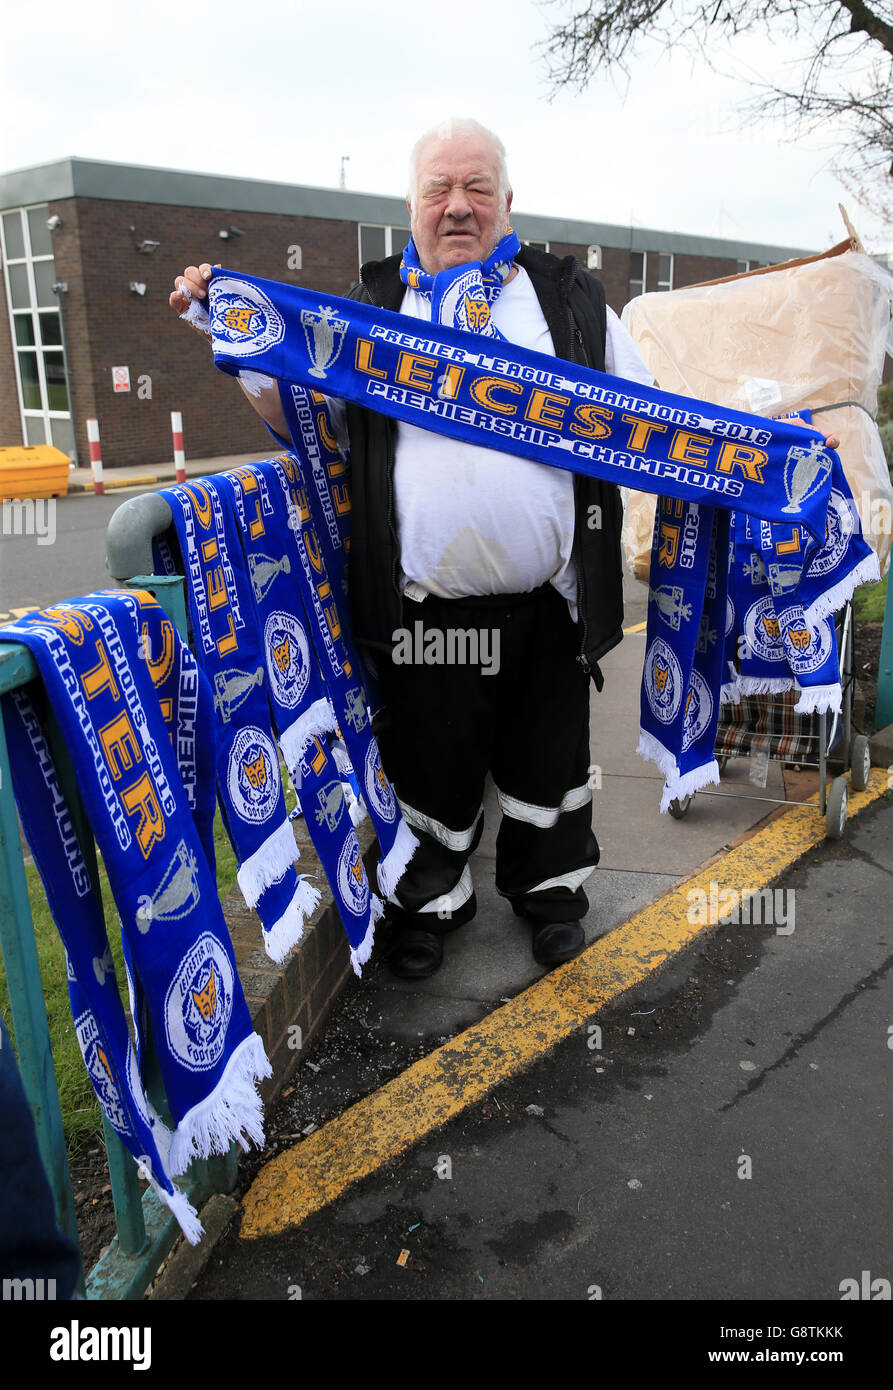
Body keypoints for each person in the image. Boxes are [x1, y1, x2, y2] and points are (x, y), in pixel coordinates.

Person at [170, 119, 655, 979]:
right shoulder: (365, 308)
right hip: (428, 614)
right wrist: (232, 326)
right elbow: (309, 426)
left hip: (548, 605)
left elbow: (651, 424)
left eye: (477, 189)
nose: (458, 206)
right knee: (429, 765)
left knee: (548, 762)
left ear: (508, 202)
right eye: (440, 189)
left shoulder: (572, 303)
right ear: (411, 204)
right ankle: (429, 905)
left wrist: (768, 464)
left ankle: (549, 899)